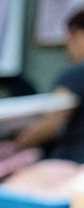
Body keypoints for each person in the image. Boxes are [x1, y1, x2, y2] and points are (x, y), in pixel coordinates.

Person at [19, 10, 84, 160]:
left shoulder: (74, 76)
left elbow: (51, 124)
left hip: (71, 165)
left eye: (68, 40)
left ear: (78, 34)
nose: (67, 48)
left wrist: (15, 143)